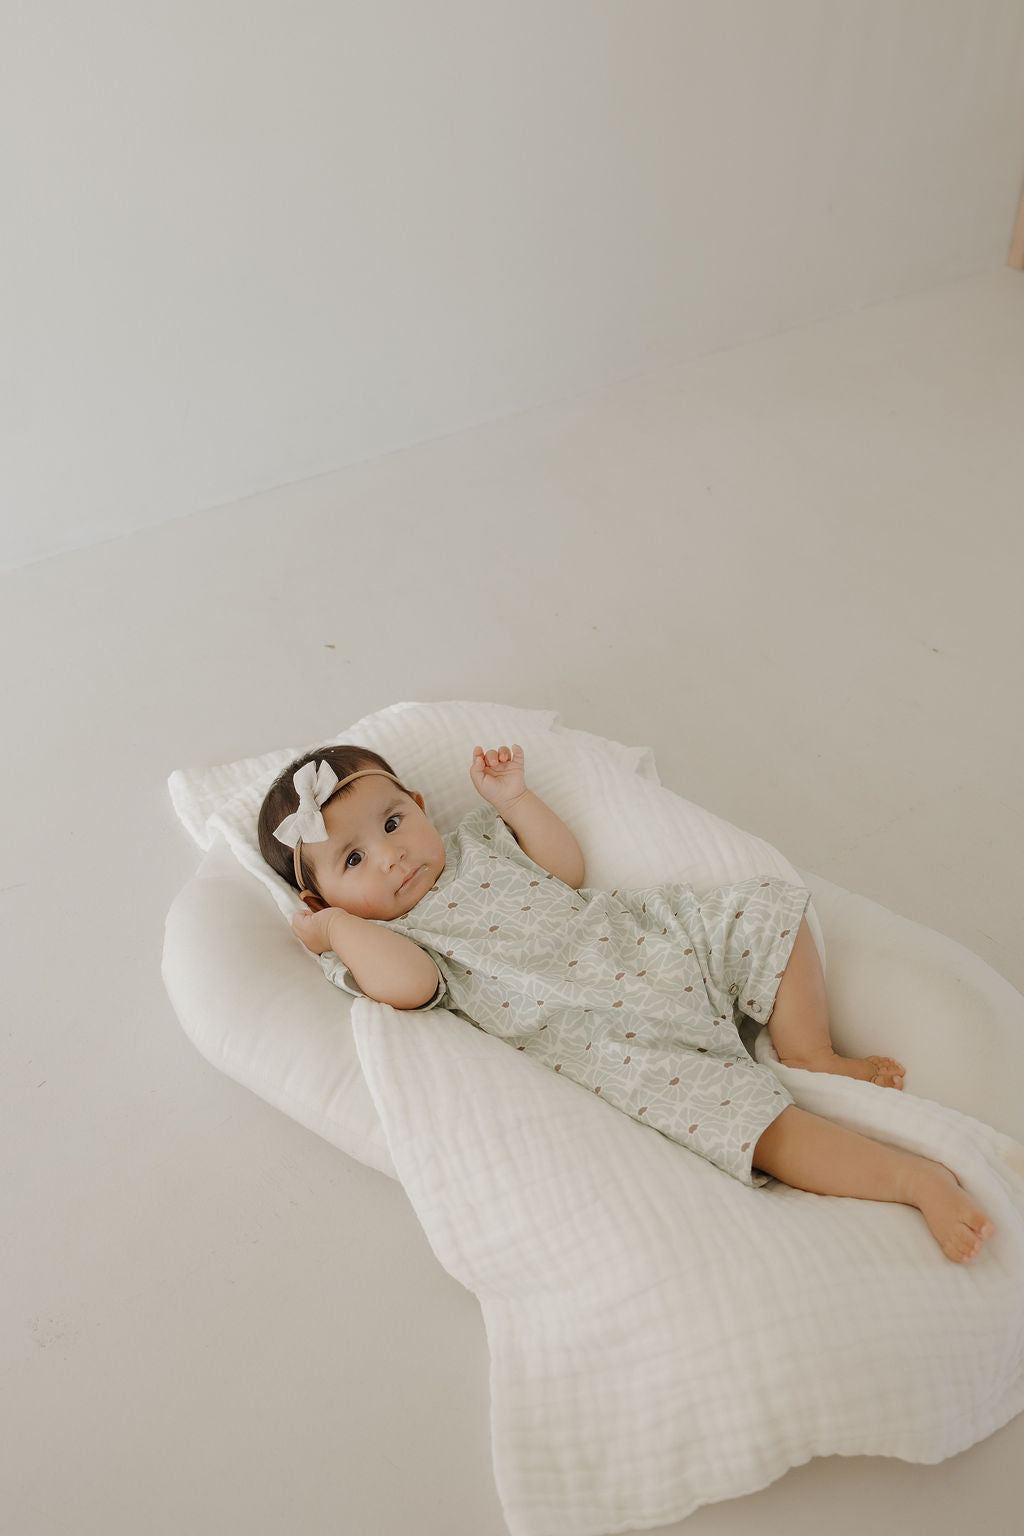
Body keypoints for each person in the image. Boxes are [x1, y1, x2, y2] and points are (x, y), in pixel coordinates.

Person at [257, 741, 995, 1263]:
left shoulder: (478, 840)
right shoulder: (379, 944)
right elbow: (411, 987)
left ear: (421, 806)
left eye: (392, 824)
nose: (391, 855)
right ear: (322, 898)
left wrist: (515, 800)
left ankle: (810, 1050)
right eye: (354, 860)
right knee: (750, 1125)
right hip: (609, 1044)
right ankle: (912, 1180)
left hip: (642, 945)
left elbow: (565, 869)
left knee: (769, 911)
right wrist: (339, 930)